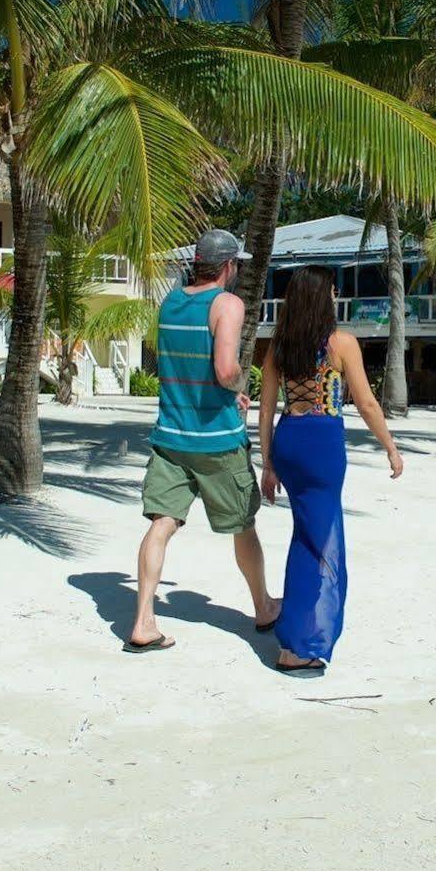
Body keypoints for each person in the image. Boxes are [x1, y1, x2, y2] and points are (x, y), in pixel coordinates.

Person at [128, 229, 277, 652]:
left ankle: (143, 621)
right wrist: (238, 386)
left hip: (171, 436)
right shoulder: (227, 304)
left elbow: (186, 365)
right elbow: (226, 369)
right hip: (217, 441)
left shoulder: (170, 302)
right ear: (228, 266)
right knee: (242, 526)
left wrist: (226, 387)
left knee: (161, 525)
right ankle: (264, 607)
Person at [257, 267, 404, 677]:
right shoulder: (341, 343)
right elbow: (368, 404)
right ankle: (297, 646)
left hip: (288, 440)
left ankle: (298, 630)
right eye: (334, 291)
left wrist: (268, 464)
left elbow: (266, 410)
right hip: (322, 446)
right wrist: (390, 448)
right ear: (325, 298)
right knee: (319, 542)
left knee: (306, 535)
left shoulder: (279, 347)